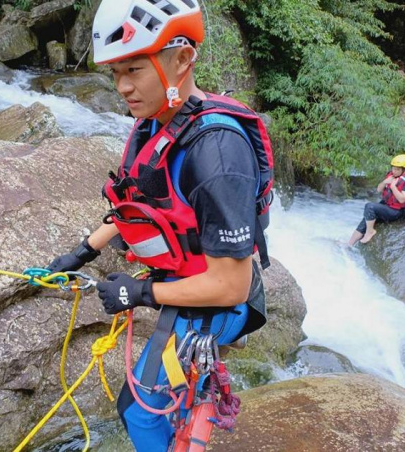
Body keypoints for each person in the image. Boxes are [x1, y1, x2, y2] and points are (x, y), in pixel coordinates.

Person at [46, 1, 275, 450]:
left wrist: (141, 294)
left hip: (221, 302)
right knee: (140, 405)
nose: (123, 88)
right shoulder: (156, 123)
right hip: (184, 280)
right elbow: (137, 203)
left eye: (133, 70)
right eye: (115, 74)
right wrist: (82, 252)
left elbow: (231, 285)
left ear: (183, 59)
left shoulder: (218, 154)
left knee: (139, 409)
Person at [349, 154, 405, 246]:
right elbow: (379, 190)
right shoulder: (391, 175)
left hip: (397, 211)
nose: (394, 171)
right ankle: (349, 244)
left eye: (397, 169)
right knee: (367, 218)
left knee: (369, 207)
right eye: (393, 168)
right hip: (388, 205)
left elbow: (402, 200)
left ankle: (370, 232)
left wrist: (393, 186)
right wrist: (385, 182)